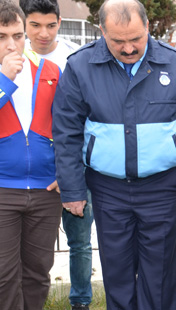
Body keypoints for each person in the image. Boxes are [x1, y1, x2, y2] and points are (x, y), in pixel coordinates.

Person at [51, 0, 176, 309]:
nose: (128, 48)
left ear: (148, 28)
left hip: (159, 187)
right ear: (101, 32)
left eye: (135, 39)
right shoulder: (80, 68)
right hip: (107, 189)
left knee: (160, 272)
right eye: (118, 41)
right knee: (117, 271)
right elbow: (66, 133)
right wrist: (72, 189)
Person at [19, 1, 93, 309]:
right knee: (29, 250)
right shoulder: (13, 56)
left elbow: (87, 119)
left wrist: (69, 173)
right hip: (30, 177)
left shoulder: (74, 59)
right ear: (24, 23)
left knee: (79, 243)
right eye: (35, 25)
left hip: (72, 172)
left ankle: (81, 302)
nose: (43, 34)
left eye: (51, 25)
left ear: (60, 22)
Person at [0, 2, 62, 309]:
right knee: (4, 276)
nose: (12, 44)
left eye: (18, 35)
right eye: (1, 36)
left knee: (38, 273)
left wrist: (66, 171)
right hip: (2, 189)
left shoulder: (50, 71)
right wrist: (3, 81)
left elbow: (68, 127)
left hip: (45, 190)